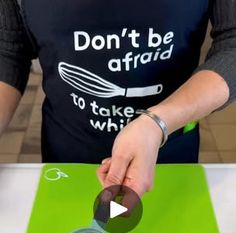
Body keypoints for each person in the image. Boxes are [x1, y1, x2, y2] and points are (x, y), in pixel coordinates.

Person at [0, 0, 235, 197]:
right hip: (66, 156)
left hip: (169, 153)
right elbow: (8, 48)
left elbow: (232, 44)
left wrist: (158, 122)